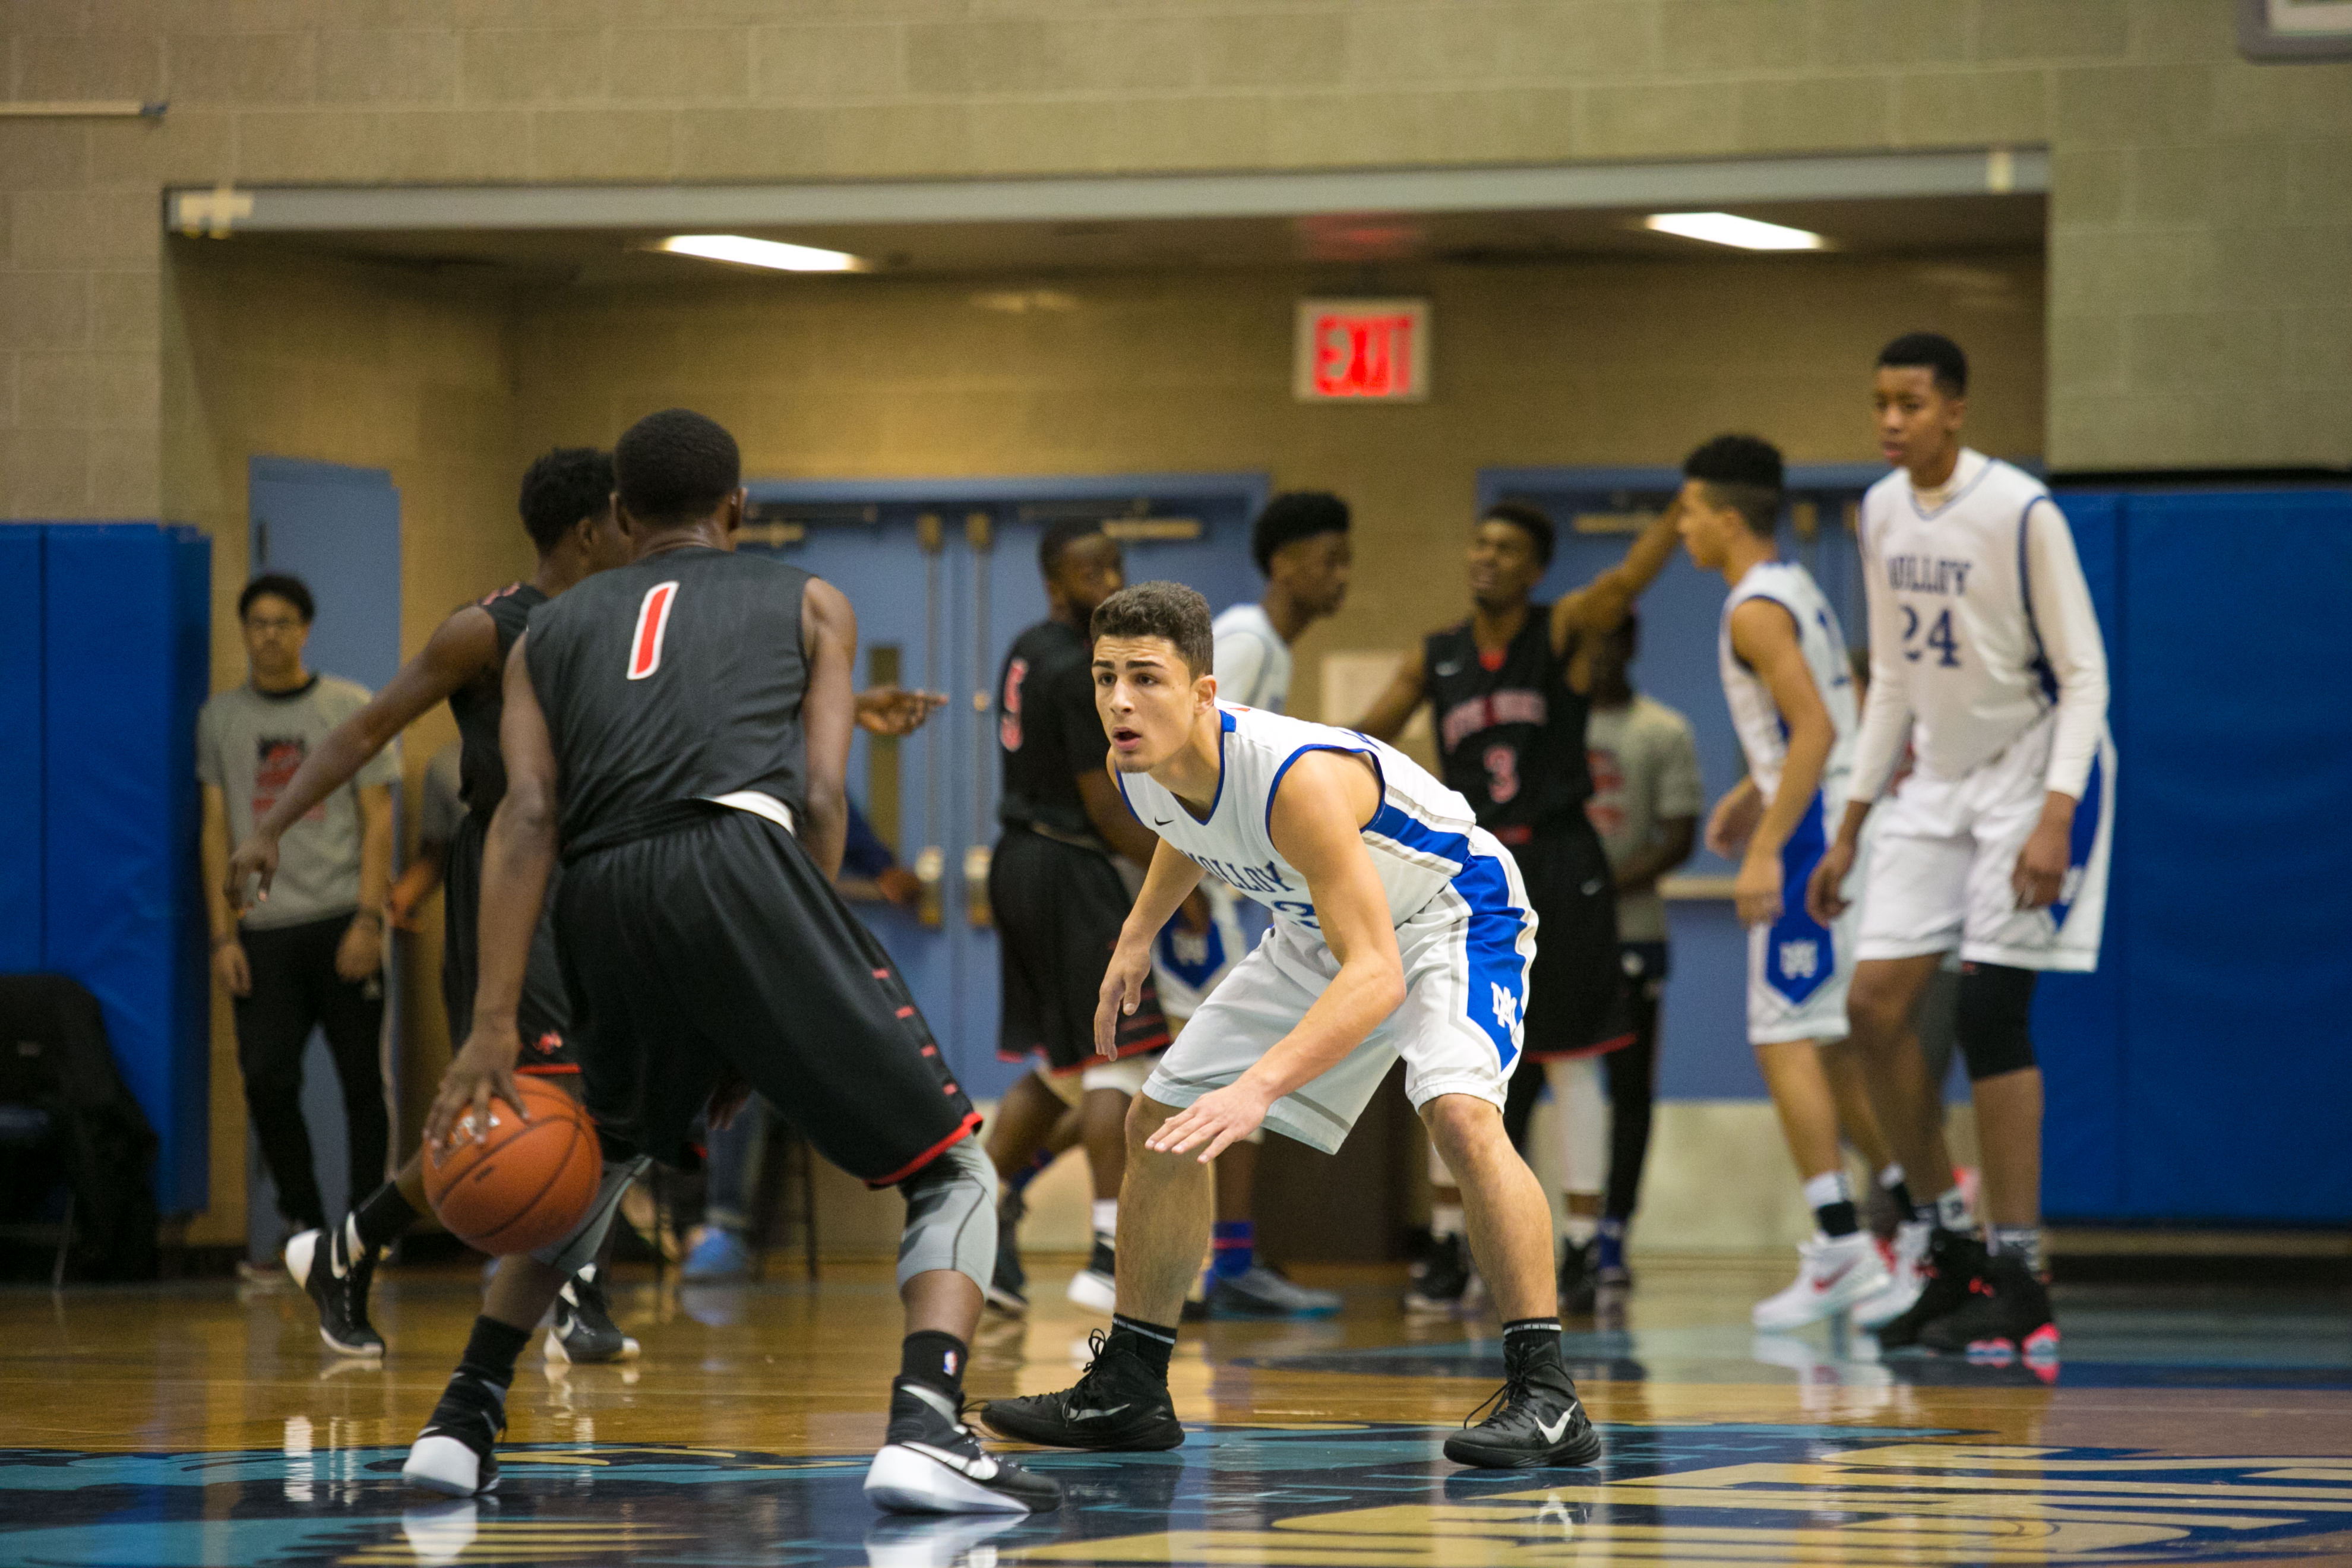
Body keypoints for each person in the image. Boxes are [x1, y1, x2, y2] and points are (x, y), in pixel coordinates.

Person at [403, 409, 1057, 1515]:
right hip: (744, 859)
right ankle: (929, 1425)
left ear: (618, 517)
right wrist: (780, 968)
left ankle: (461, 1416)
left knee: (602, 1156)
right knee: (953, 1165)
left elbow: (526, 819)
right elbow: (822, 797)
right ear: (737, 510)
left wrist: (493, 1022)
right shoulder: (810, 600)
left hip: (600, 893)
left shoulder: (546, 632)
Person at [981, 581, 1601, 1471]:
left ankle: (1548, 1399)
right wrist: (1137, 933)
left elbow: (1379, 974)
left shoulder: (1293, 780)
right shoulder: (1134, 761)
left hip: (1454, 914)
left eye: (1146, 678)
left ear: (1204, 692)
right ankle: (1131, 1387)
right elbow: (1184, 830)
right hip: (1319, 928)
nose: (1120, 699)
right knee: (1157, 1123)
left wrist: (1260, 1085)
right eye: (1105, 675)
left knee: (1461, 1117)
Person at [225, 450, 637, 1363]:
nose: (635, 530)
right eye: (622, 516)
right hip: (507, 879)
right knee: (538, 1086)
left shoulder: (622, 621)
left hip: (596, 879)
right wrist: (271, 829)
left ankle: (347, 1247)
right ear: (586, 529)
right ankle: (575, 1290)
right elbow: (368, 730)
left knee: (608, 1086)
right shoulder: (485, 630)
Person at [1807, 333, 2114, 1360]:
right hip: (1935, 779)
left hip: (2032, 769)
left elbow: (2085, 677)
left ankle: (2021, 1268)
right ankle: (1950, 1254)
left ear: (1957, 411)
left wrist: (2057, 814)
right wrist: (1847, 827)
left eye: (1910, 403)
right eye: (1879, 402)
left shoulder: (2021, 510)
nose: (1890, 421)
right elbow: (1890, 678)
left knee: (1989, 1007)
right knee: (1871, 1008)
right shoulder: (1881, 510)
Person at [1354, 497, 1680, 1314]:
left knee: (1572, 1057)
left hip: (1564, 861)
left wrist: (1685, 511)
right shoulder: (1436, 654)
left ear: (1534, 568)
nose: (1485, 557)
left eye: (1505, 548)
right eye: (1479, 544)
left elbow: (1628, 579)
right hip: (1473, 861)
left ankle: (1580, 1248)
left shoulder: (1562, 629)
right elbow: (1361, 740)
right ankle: (1446, 1246)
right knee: (1446, 1047)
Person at [1676, 434, 1899, 1330]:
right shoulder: (1795, 587)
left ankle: (1842, 1240)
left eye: (1689, 511)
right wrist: (1751, 791)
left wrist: (1768, 845)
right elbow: (1825, 714)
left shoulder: (1751, 611)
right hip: (1831, 818)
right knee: (1830, 1038)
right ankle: (1908, 1213)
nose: (1681, 528)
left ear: (1728, 519)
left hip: (1812, 839)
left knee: (1783, 1035)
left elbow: (1814, 731)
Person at [984, 518, 1181, 1317]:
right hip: (1067, 864)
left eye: (1115, 565)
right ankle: (1108, 1251)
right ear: (1053, 582)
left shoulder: (1028, 646)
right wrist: (1184, 874)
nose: (1108, 579)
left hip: (1018, 862)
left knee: (1063, 1068)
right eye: (1088, 570)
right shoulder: (1075, 670)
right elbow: (1103, 808)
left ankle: (975, 1214)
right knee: (1118, 1056)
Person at [1186, 491, 1354, 1319]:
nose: (1343, 577)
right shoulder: (1248, 639)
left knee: (1220, 1073)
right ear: (1284, 563)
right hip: (1203, 898)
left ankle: (1230, 1259)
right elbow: (1199, 753)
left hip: (1229, 892)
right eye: (1331, 559)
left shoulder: (1270, 647)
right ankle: (1223, 1262)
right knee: (1210, 1072)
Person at [199, 573, 396, 1272]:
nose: (270, 634)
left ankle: (369, 1229)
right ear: (245, 631)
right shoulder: (221, 718)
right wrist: (223, 934)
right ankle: (306, 1226)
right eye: (257, 622)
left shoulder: (349, 706)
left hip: (342, 917)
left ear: (306, 629)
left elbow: (379, 821)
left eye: (284, 621)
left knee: (361, 1086)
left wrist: (371, 920)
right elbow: (216, 825)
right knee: (268, 1080)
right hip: (265, 930)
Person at [1546, 612, 1700, 1307]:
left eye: (1609, 640)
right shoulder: (1553, 724)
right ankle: (1526, 1235)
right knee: (1526, 1083)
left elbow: (1677, 836)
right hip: (1551, 936)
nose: (1597, 656)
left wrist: (1596, 889)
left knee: (1630, 1087)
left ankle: (1613, 1233)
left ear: (1632, 645)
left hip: (1632, 931)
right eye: (1586, 644)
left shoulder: (1662, 730)